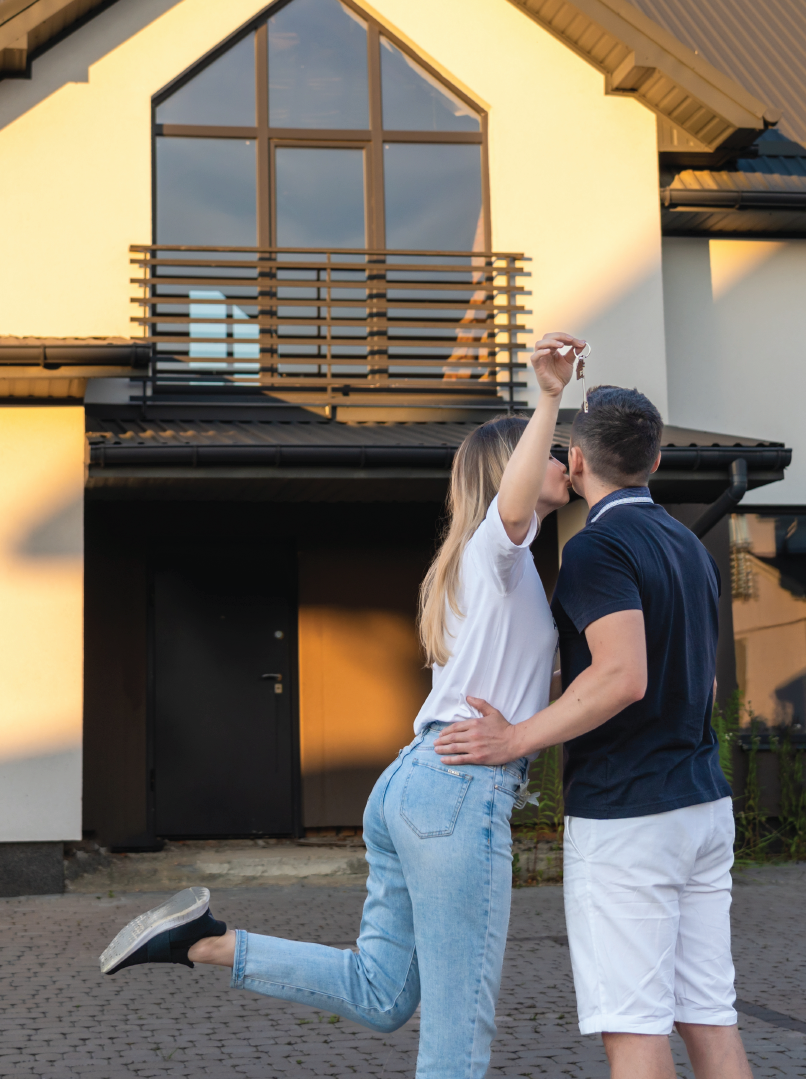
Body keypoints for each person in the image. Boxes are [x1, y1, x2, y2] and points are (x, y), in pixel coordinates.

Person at [97, 332, 585, 1079]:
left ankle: (204, 942)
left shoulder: (489, 577)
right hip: (457, 793)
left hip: (411, 788)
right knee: (457, 1035)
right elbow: (517, 507)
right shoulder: (499, 552)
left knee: (382, 991)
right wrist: (547, 395)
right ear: (507, 471)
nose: (563, 460)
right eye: (549, 451)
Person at [433, 385, 754, 1079]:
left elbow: (622, 677)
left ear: (576, 461)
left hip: (630, 818)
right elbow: (705, 685)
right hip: (703, 805)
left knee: (635, 1029)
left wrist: (515, 739)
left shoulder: (594, 548)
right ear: (657, 461)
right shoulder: (690, 547)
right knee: (708, 1014)